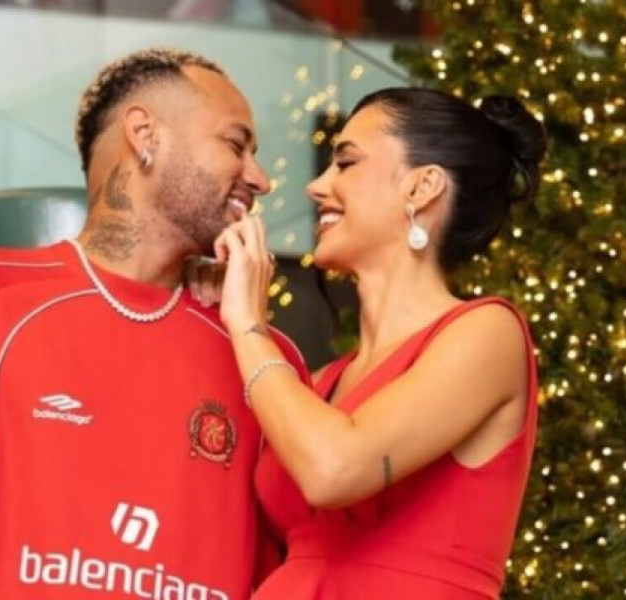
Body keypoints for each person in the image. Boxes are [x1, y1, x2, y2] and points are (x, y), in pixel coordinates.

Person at [0, 48, 307, 599]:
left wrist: (245, 324)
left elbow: (305, 564)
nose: (261, 179)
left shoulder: (265, 359)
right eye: (236, 145)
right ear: (145, 134)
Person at [211, 88, 547, 598]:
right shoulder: (317, 386)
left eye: (346, 162)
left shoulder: (488, 334)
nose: (316, 186)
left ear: (423, 186)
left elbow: (334, 469)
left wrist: (247, 323)